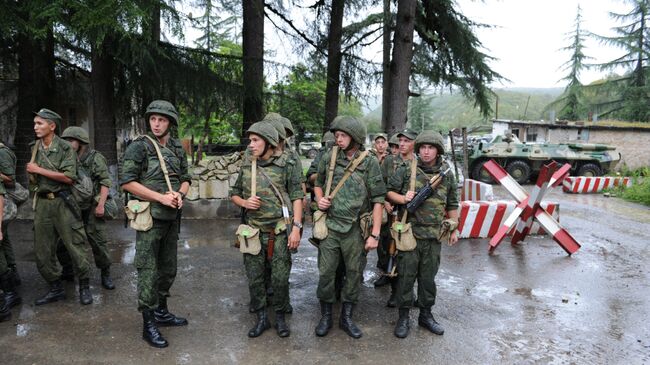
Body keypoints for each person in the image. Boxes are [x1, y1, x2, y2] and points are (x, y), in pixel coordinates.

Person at [120, 100, 191, 348]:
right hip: (150, 219)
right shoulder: (140, 147)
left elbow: (186, 178)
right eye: (153, 119)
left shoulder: (176, 147)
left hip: (172, 218)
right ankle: (148, 324)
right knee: (148, 271)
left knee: (168, 269)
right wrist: (161, 197)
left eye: (161, 119)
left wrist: (180, 195)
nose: (157, 124)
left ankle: (161, 311)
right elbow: (127, 182)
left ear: (170, 122)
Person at [313, 116, 385, 339]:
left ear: (355, 137)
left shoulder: (369, 162)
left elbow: (378, 200)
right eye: (336, 135)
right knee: (326, 273)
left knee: (354, 274)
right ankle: (326, 316)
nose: (338, 139)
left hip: (355, 229)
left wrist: (375, 234)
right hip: (331, 227)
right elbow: (317, 184)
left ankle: (346, 317)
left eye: (343, 135)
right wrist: (320, 200)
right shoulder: (328, 156)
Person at [230, 121, 303, 338]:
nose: (250, 145)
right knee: (255, 278)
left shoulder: (287, 163)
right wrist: (244, 203)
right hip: (253, 231)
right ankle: (262, 319)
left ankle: (280, 317)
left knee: (280, 278)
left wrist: (296, 228)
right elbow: (233, 193)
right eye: (249, 140)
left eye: (255, 140)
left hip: (280, 230)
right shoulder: (247, 164)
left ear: (269, 142)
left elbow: (298, 196)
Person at [386, 130, 459, 338]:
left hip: (434, 236)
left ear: (438, 150)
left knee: (428, 279)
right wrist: (403, 198)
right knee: (406, 278)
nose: (426, 152)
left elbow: (452, 203)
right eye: (423, 148)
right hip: (410, 234)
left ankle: (426, 315)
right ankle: (403, 317)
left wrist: (454, 227)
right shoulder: (407, 169)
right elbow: (388, 193)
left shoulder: (447, 174)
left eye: (431, 148)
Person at [27, 108, 94, 306]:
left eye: (40, 123)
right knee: (43, 249)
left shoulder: (65, 148)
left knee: (75, 244)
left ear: (52, 126)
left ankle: (84, 286)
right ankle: (55, 287)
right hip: (43, 204)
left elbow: (69, 177)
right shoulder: (35, 147)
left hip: (63, 201)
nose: (35, 127)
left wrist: (38, 169)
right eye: (35, 123)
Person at [57, 126, 115, 290]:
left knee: (98, 242)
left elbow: (105, 182)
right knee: (62, 242)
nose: (67, 143)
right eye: (65, 140)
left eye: (71, 140)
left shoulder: (94, 158)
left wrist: (101, 205)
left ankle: (106, 273)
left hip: (92, 206)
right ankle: (68, 270)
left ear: (81, 143)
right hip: (71, 206)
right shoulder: (64, 158)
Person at [375, 128, 418, 308]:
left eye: (406, 141)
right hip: (393, 213)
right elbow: (381, 184)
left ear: (414, 143)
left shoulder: (419, 163)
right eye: (400, 141)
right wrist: (386, 201)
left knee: (410, 254)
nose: (401, 144)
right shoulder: (390, 161)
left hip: (413, 216)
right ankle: (394, 291)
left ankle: (408, 291)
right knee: (391, 251)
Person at [0, 140, 22, 290]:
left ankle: (8, 283)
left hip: (4, 205)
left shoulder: (2, 152)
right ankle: (12, 277)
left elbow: (10, 180)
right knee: (4, 239)